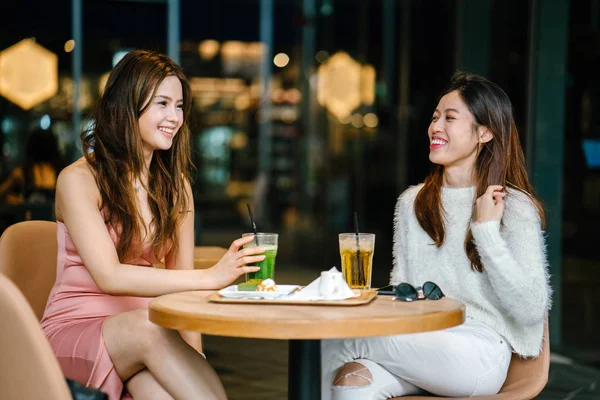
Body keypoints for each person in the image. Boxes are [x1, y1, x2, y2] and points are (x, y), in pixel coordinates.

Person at [40, 50, 266, 400]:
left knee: (165, 392)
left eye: (179, 106)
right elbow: (109, 276)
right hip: (77, 333)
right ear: (127, 106)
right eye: (162, 103)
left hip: (146, 341)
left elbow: (183, 292)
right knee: (152, 328)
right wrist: (212, 276)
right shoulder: (79, 179)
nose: (174, 117)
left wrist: (195, 357)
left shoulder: (176, 186)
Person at [321, 72, 552, 399]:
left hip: (479, 354)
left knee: (341, 336)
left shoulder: (513, 207)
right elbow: (403, 294)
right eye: (434, 117)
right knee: (347, 383)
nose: (435, 127)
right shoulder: (413, 203)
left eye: (450, 118)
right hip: (416, 345)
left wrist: (486, 232)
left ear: (484, 132)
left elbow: (531, 309)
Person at [0, 127, 64, 205]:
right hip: (53, 216)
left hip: (30, 216)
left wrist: (17, 201)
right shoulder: (62, 172)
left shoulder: (22, 172)